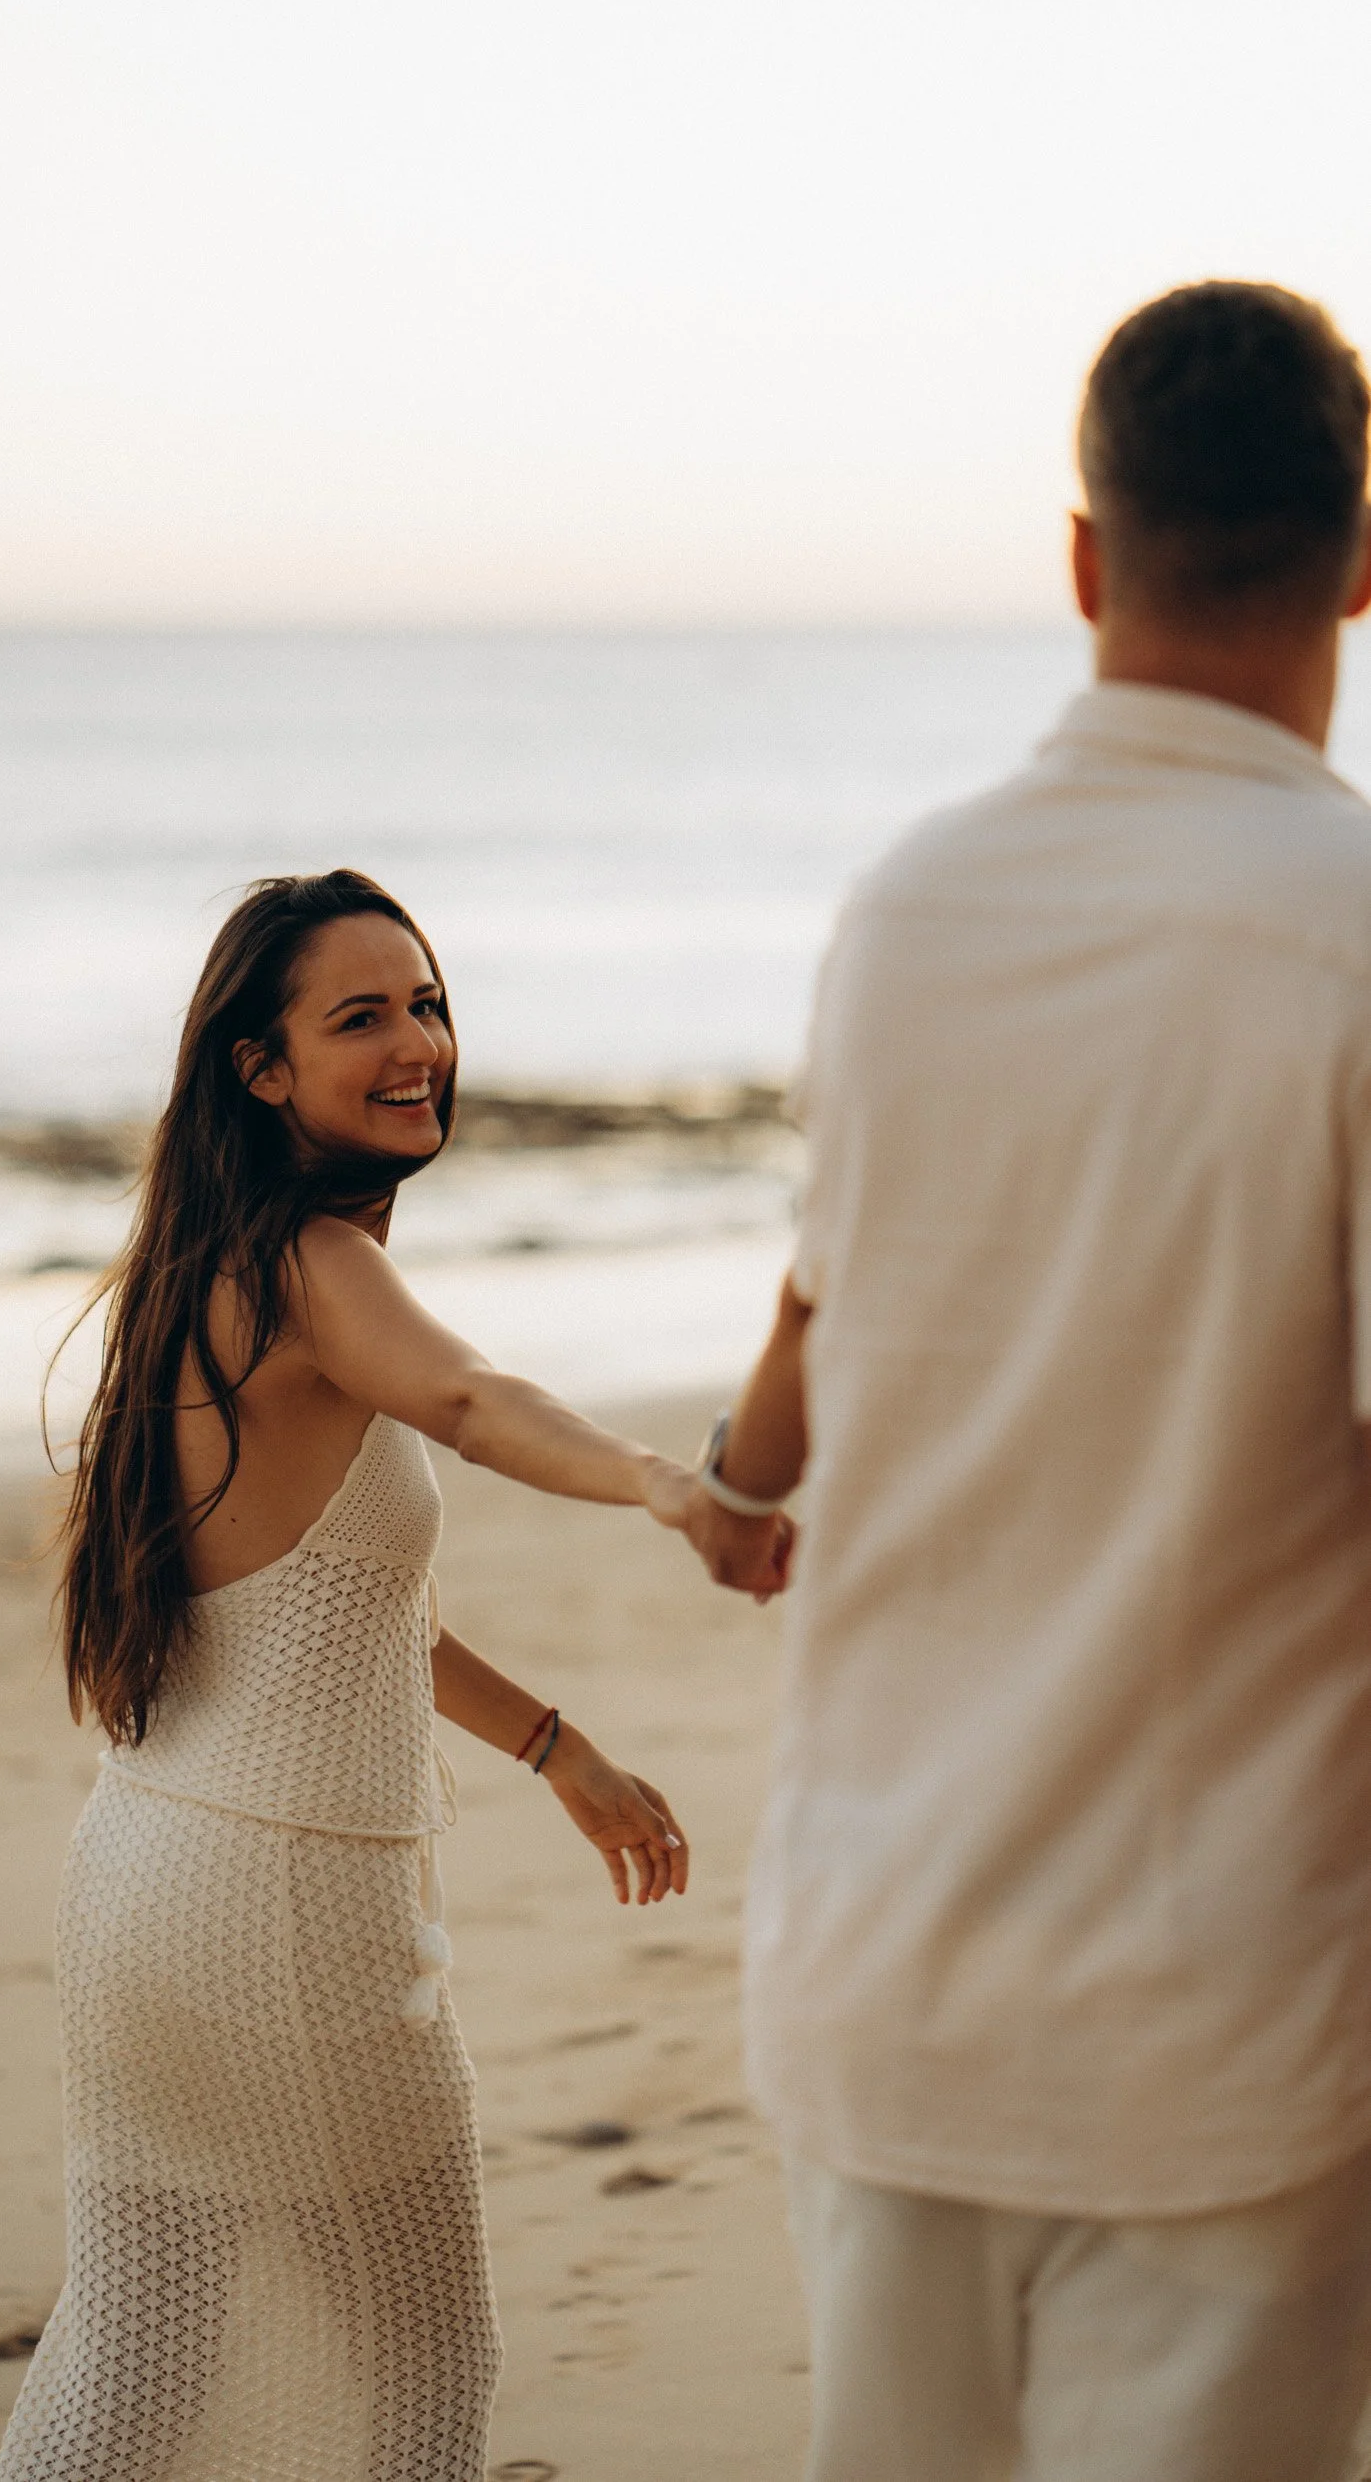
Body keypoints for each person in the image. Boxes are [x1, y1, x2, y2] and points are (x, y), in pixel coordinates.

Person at [690, 282, 1371, 2480]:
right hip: (1211, 2018)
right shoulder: (1351, 928)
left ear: (1084, 558)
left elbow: (813, 1360)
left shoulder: (904, 910)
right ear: (1362, 559)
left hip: (877, 1977)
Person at [0, 869, 788, 2482]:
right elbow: (475, 1402)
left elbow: (333, 1602)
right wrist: (665, 1483)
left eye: (425, 1003)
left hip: (144, 1884)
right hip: (285, 1913)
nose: (416, 1043)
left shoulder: (192, 1273)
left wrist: (552, 1745)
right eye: (358, 1017)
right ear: (258, 1066)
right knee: (423, 2369)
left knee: (138, 2361)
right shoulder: (310, 1266)